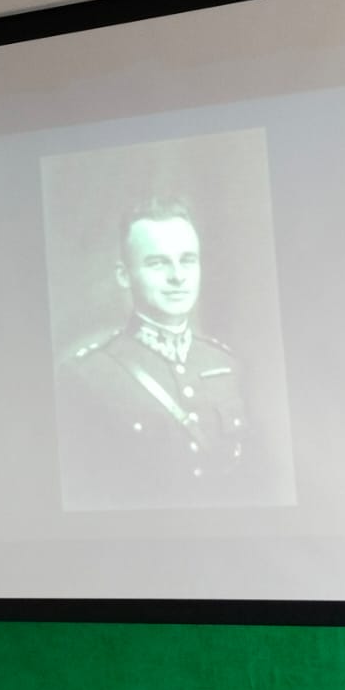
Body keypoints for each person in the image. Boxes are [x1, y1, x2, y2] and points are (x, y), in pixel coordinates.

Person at [54, 199, 259, 509]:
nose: (178, 276)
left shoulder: (227, 364)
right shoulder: (86, 375)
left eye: (188, 260)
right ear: (124, 275)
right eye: (158, 263)